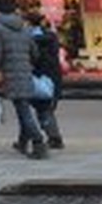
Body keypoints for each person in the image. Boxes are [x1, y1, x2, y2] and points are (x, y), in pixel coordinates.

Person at [0, 0, 46, 158]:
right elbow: (35, 52)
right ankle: (22, 141)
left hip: (10, 73)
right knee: (22, 106)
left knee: (23, 109)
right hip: (25, 71)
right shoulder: (24, 27)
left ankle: (38, 142)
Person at [27, 12, 66, 151]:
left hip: (40, 77)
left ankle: (54, 138)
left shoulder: (30, 40)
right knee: (46, 108)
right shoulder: (51, 37)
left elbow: (35, 59)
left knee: (43, 109)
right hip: (53, 76)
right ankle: (53, 137)